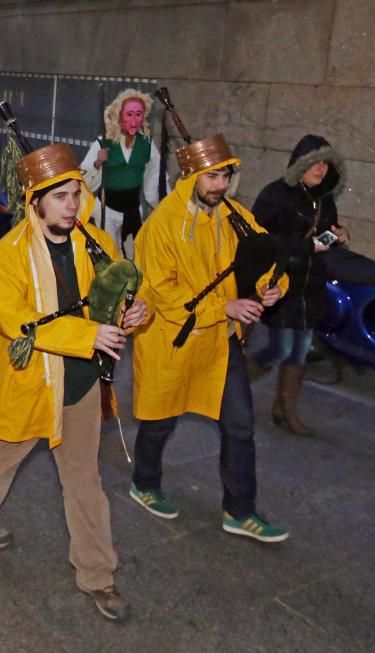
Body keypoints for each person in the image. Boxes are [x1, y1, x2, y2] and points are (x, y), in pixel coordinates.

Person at [0, 143, 145, 621]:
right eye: (60, 197)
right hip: (31, 379)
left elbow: (116, 293)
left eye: (75, 194)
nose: (71, 205)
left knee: (84, 480)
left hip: (79, 383)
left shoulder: (95, 242)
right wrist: (89, 333)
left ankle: (98, 575)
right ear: (36, 201)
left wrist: (135, 312)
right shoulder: (8, 255)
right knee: (3, 451)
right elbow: (19, 324)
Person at [129, 133, 290, 543]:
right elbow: (163, 292)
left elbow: (265, 258)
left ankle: (240, 510)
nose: (220, 184)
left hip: (221, 343)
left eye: (225, 175)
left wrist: (273, 286)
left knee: (239, 427)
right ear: (191, 175)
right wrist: (225, 308)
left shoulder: (235, 214)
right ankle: (145, 483)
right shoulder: (162, 224)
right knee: (160, 421)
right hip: (172, 340)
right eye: (211, 176)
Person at [249, 135, 348, 435]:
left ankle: (286, 409)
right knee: (279, 349)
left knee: (300, 351)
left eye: (324, 164)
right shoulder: (276, 194)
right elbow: (258, 239)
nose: (320, 169)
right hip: (282, 283)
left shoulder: (324, 198)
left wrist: (338, 234)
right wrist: (307, 246)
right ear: (299, 164)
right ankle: (231, 387)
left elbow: (325, 234)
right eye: (314, 163)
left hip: (311, 285)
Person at [80, 89, 165, 258]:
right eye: (129, 115)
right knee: (110, 255)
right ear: (119, 116)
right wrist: (97, 163)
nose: (134, 120)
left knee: (134, 256)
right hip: (107, 210)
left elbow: (154, 179)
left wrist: (163, 208)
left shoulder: (147, 144)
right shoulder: (102, 142)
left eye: (138, 115)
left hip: (132, 211)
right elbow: (84, 180)